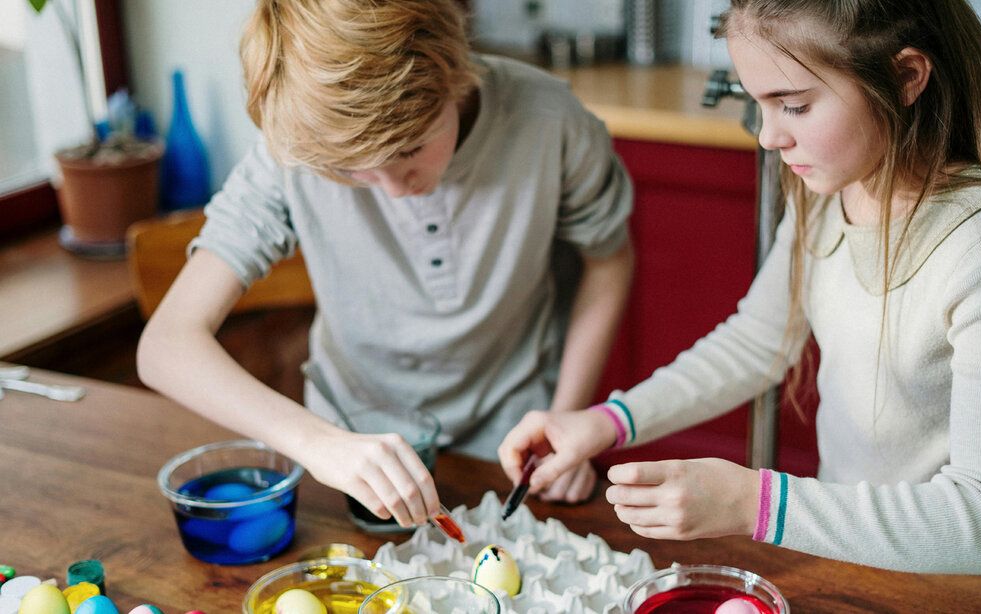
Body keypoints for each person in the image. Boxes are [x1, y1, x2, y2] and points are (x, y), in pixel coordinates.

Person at [499, 0, 981, 574]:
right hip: (850, 561)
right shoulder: (837, 189)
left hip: (961, 583)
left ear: (905, 77)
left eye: (794, 105)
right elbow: (759, 341)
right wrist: (605, 422)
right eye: (759, 105)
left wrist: (752, 503)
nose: (770, 137)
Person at [137, 0, 634, 530]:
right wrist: (320, 444)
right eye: (353, 173)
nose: (395, 190)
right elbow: (166, 345)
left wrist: (565, 419)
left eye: (412, 148)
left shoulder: (551, 122)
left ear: (455, 73)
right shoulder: (296, 149)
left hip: (507, 448)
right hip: (348, 455)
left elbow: (608, 261)